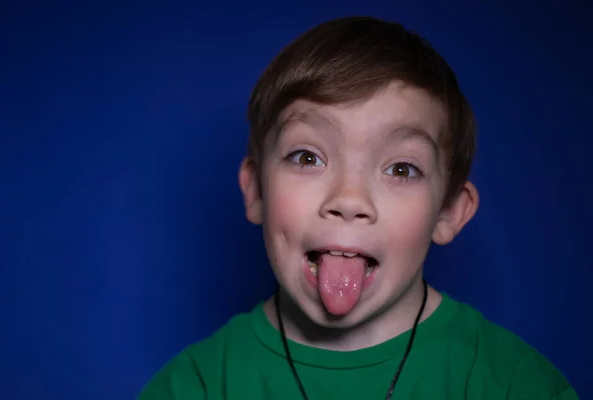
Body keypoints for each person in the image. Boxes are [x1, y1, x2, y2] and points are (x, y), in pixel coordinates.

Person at [138, 16, 578, 399]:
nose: (349, 200)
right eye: (307, 158)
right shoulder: (193, 387)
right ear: (255, 191)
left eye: (402, 169)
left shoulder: (515, 386)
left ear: (447, 212)